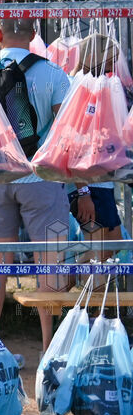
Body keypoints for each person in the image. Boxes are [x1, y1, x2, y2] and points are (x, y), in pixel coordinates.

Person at [0, 19, 71, 349]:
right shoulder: (53, 74)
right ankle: (48, 346)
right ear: (34, 34)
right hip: (40, 177)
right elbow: (66, 130)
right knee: (48, 259)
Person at [70, 34, 127, 264]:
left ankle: (68, 280)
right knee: (98, 250)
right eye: (111, 58)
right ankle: (64, 281)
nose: (114, 64)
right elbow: (71, 144)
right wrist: (83, 192)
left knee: (109, 245)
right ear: (95, 57)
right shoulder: (79, 86)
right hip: (87, 183)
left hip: (100, 182)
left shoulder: (100, 85)